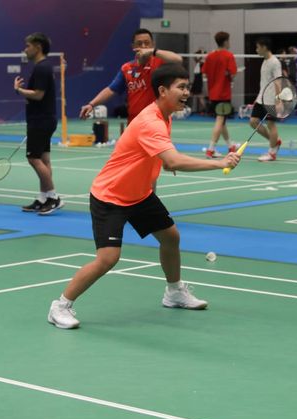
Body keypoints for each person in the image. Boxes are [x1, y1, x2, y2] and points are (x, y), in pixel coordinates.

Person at [47, 64, 241, 329]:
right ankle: (60, 305)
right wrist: (220, 164)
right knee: (108, 259)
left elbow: (167, 163)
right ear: (162, 90)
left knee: (171, 236)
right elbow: (173, 159)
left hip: (139, 194)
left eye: (187, 87)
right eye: (181, 87)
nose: (187, 92)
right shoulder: (150, 121)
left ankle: (174, 292)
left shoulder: (165, 116)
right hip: (111, 196)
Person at [79, 28, 183, 124]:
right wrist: (91, 104)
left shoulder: (159, 63)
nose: (143, 46)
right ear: (133, 46)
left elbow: (178, 60)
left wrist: (153, 51)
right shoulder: (127, 68)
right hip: (134, 122)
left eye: (147, 43)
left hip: (155, 121)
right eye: (139, 43)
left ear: (153, 45)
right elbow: (111, 89)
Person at [14, 32, 63, 215]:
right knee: (43, 160)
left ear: (38, 47)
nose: (25, 49)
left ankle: (53, 197)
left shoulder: (42, 68)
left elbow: (38, 94)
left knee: (33, 158)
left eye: (28, 46)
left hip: (40, 120)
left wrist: (19, 90)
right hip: (45, 118)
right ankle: (43, 198)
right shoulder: (43, 67)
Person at [201, 31, 238, 158]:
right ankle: (210, 149)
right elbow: (233, 74)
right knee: (220, 120)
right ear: (226, 41)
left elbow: (204, 73)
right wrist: (228, 75)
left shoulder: (210, 56)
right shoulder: (229, 56)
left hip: (213, 94)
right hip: (223, 94)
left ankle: (230, 146)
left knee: (222, 121)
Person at [250, 37, 283, 162]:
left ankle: (272, 153)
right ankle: (275, 141)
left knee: (271, 124)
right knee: (253, 122)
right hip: (261, 98)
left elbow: (278, 81)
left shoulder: (275, 62)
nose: (256, 50)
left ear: (264, 47)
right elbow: (264, 82)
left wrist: (279, 100)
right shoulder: (264, 61)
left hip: (271, 100)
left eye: (258, 47)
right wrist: (258, 97)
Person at [190, 49, 207, 115]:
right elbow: (195, 57)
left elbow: (199, 59)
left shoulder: (202, 63)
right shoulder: (198, 63)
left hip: (198, 82)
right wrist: (199, 52)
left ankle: (206, 109)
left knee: (200, 97)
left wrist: (202, 53)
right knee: (191, 95)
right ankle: (189, 109)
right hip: (195, 81)